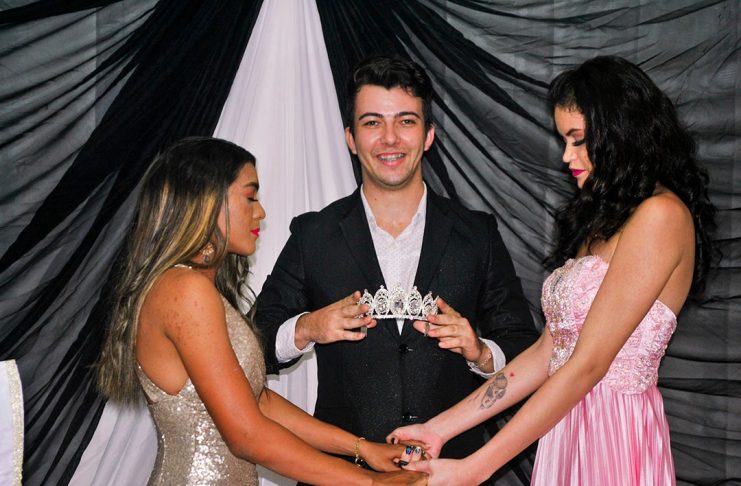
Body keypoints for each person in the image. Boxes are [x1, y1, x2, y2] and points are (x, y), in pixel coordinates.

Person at [388, 55, 717, 485]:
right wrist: (439, 429)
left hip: (613, 436)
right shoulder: (602, 219)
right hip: (565, 425)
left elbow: (588, 365)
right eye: (564, 140)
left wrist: (475, 468)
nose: (566, 156)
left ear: (620, 135)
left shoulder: (662, 216)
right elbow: (549, 353)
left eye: (578, 140)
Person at [254, 54, 538, 476]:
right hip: (342, 475)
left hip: (451, 472)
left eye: (405, 121)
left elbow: (524, 348)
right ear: (351, 138)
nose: (390, 139)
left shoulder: (477, 234)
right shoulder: (314, 234)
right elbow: (254, 342)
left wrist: (480, 353)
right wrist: (307, 328)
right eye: (372, 123)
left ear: (428, 135)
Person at [96, 137, 426, 486]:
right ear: (208, 201)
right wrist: (369, 483)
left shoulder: (191, 287)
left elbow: (259, 402)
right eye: (250, 197)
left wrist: (361, 449)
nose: (261, 212)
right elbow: (246, 434)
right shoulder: (185, 291)